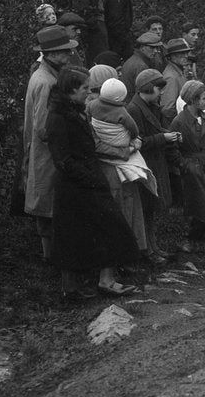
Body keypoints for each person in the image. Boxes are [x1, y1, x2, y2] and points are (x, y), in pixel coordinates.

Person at [45, 66, 140, 299]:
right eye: (85, 88)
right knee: (73, 236)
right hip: (74, 186)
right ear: (70, 90)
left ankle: (104, 280)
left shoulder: (78, 111)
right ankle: (73, 289)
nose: (89, 93)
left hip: (87, 180)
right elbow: (62, 160)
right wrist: (90, 179)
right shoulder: (58, 117)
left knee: (109, 227)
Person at [23, 25, 79, 261]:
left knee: (49, 205)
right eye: (64, 52)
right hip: (48, 154)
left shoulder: (45, 75)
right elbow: (43, 127)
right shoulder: (46, 82)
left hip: (44, 153)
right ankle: (52, 258)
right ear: (52, 54)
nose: (69, 56)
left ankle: (53, 256)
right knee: (49, 206)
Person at [86, 78, 158, 257]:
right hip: (121, 157)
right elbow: (133, 130)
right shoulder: (122, 112)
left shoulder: (91, 106)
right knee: (127, 207)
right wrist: (132, 144)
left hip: (103, 158)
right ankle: (129, 250)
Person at [126, 69, 180, 265]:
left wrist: (167, 134)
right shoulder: (134, 109)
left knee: (152, 209)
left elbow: (154, 130)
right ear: (147, 88)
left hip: (155, 162)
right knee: (147, 208)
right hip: (145, 164)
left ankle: (153, 247)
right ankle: (147, 250)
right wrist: (163, 138)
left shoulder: (150, 106)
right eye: (159, 88)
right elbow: (138, 141)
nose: (161, 92)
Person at [170, 80, 205, 251]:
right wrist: (185, 164)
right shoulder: (179, 122)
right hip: (194, 169)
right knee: (199, 205)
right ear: (193, 100)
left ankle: (203, 240)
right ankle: (191, 240)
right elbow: (171, 149)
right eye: (203, 98)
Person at [121, 31, 165, 99]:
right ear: (142, 48)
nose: (155, 51)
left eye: (157, 48)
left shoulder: (133, 60)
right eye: (152, 48)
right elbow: (144, 95)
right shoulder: (141, 66)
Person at [160, 37, 193, 123]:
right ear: (172, 56)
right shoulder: (171, 76)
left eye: (186, 52)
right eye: (181, 53)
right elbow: (167, 109)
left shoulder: (178, 72)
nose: (186, 56)